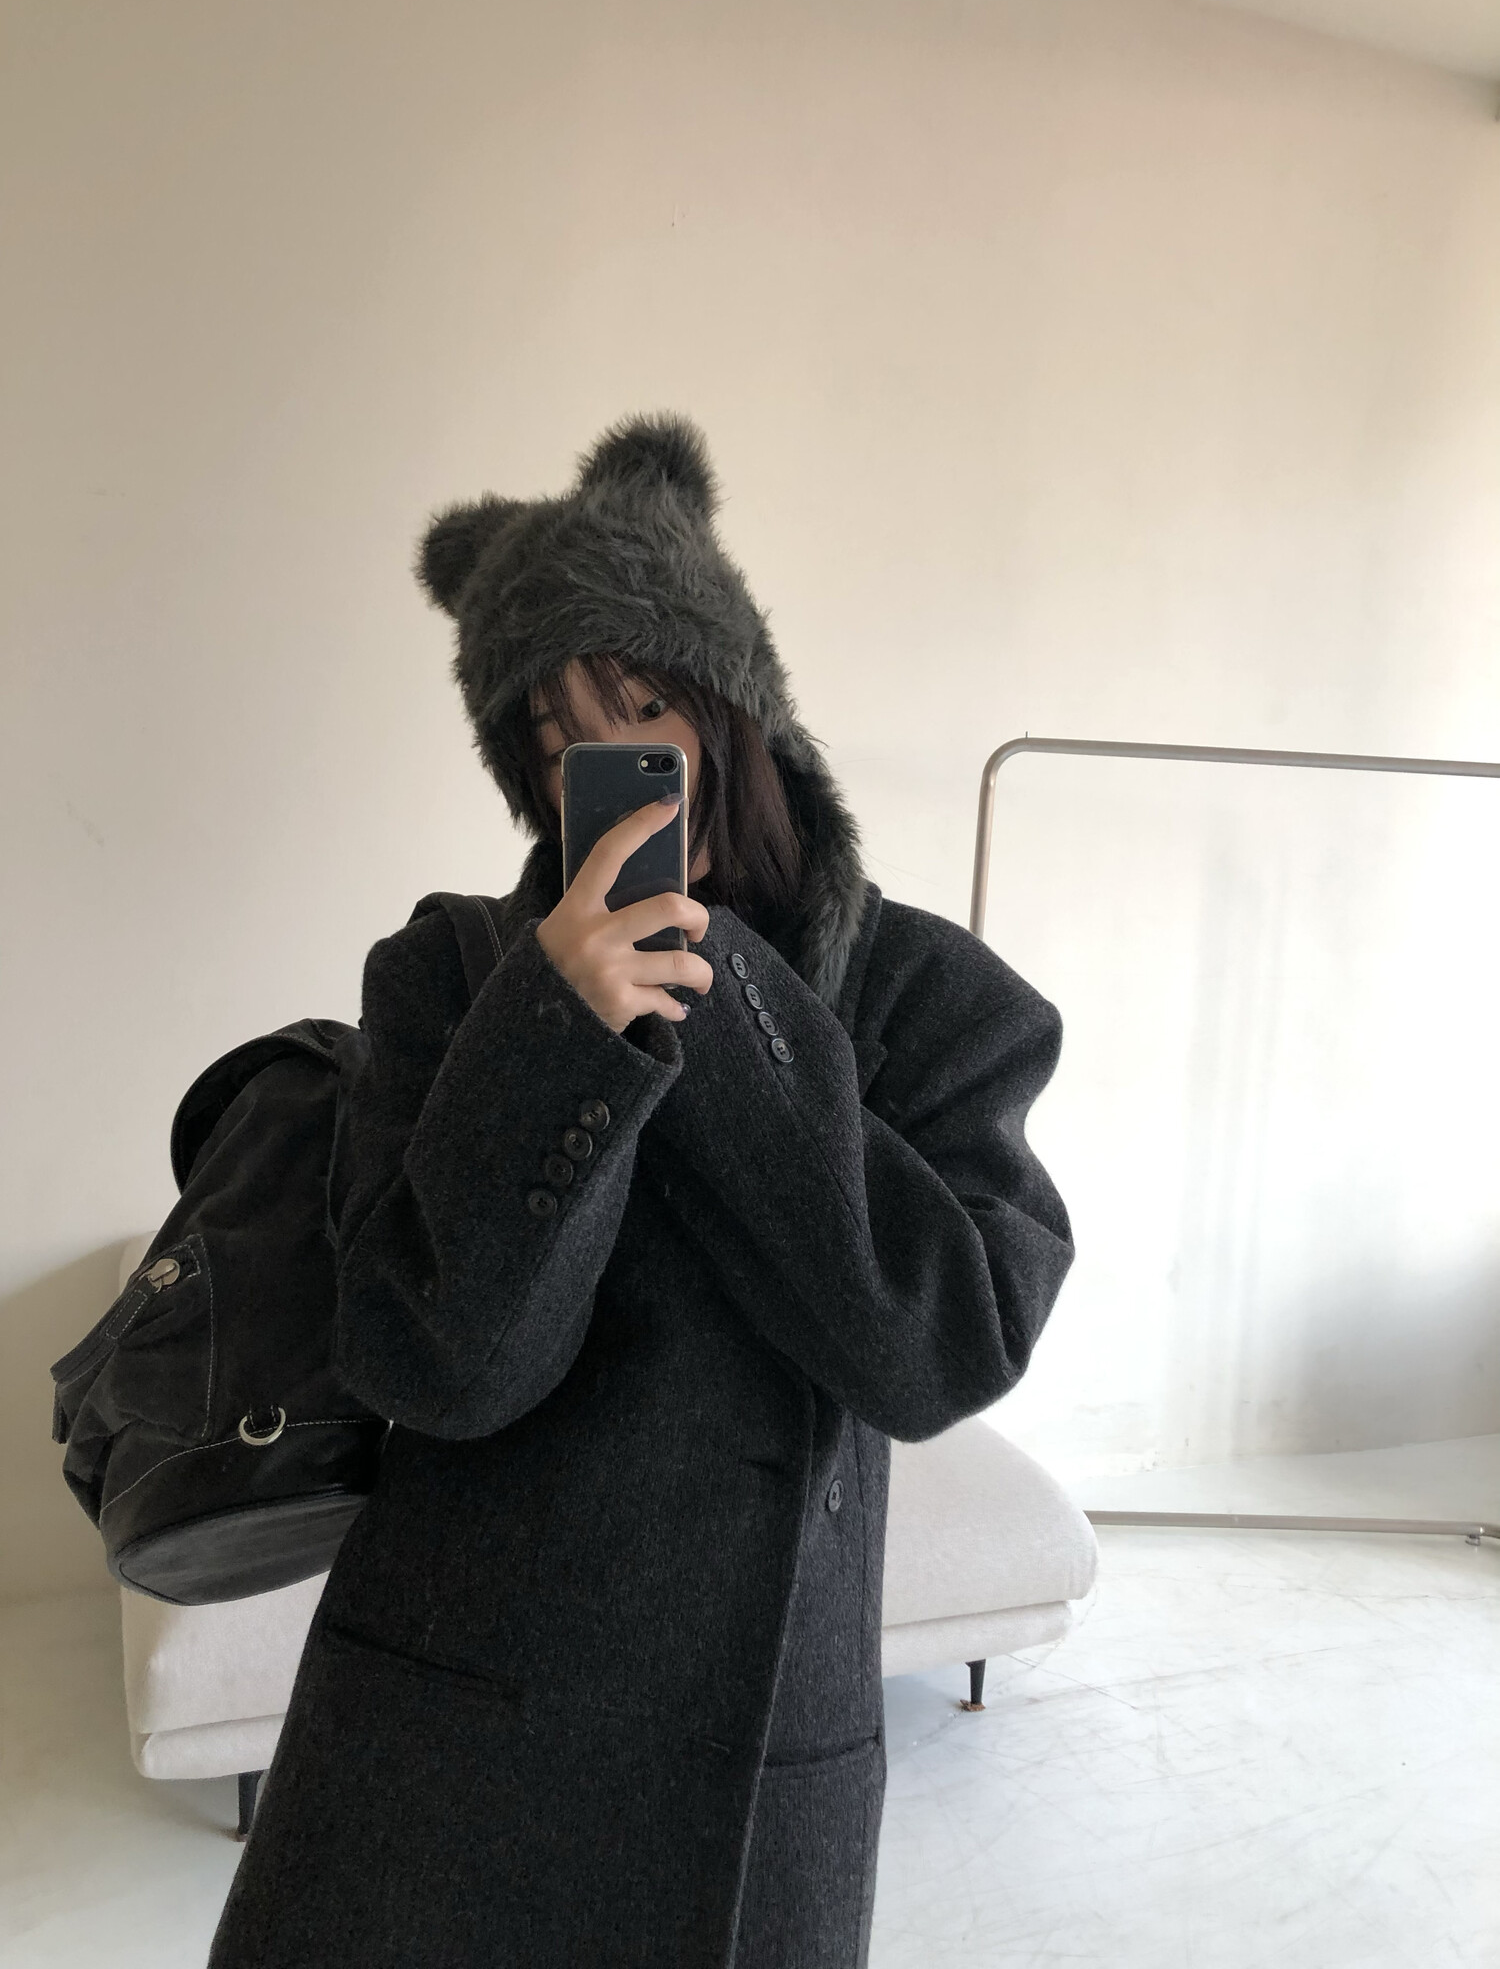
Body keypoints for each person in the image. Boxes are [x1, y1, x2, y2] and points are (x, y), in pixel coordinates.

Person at [206, 413, 1075, 1969]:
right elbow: (439, 1369)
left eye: (647, 702)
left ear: (742, 708)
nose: (606, 759)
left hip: (750, 1761)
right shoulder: (451, 973)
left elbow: (937, 1351)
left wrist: (722, 1001)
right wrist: (554, 1037)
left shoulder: (938, 1002)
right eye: (555, 733)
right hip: (444, 1725)